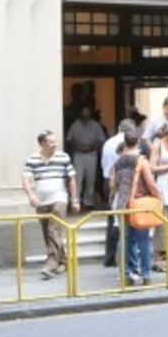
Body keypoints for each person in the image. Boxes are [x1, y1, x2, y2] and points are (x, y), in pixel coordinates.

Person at [21, 130, 78, 280]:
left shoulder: (63, 157)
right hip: (41, 201)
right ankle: (63, 261)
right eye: (52, 142)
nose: (55, 144)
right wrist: (31, 195)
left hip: (59, 198)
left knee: (54, 229)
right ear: (42, 144)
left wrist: (74, 199)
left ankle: (51, 263)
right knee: (48, 231)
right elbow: (25, 180)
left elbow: (72, 179)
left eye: (55, 141)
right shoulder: (32, 159)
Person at [110, 128, 160, 286]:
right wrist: (158, 197)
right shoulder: (141, 161)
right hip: (139, 203)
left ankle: (127, 274)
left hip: (122, 203)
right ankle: (146, 275)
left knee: (125, 240)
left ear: (124, 142)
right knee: (143, 240)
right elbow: (150, 182)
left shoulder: (118, 162)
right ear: (137, 142)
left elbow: (113, 185)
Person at [100, 118, 135, 267]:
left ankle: (110, 256)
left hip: (108, 180)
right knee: (123, 221)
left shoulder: (108, 142)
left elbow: (103, 164)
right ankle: (123, 257)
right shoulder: (129, 144)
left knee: (112, 219)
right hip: (124, 183)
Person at [149, 125, 168, 272]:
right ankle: (159, 257)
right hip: (163, 185)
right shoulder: (158, 145)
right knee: (162, 223)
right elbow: (152, 168)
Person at [66, 104, 105, 210]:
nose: (86, 113)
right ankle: (76, 200)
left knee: (90, 178)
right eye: (84, 111)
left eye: (87, 111)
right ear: (80, 113)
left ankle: (88, 201)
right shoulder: (75, 126)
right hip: (78, 155)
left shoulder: (96, 125)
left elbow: (101, 140)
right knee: (77, 178)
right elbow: (69, 140)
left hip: (91, 154)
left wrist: (90, 147)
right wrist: (78, 146)